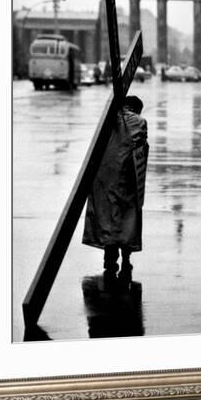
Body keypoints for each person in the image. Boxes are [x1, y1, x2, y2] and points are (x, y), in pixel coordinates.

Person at [82, 95, 149, 282]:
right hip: (127, 178)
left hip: (104, 177)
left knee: (108, 217)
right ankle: (126, 257)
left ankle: (109, 259)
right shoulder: (140, 122)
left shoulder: (107, 119)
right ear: (137, 109)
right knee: (128, 217)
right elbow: (141, 148)